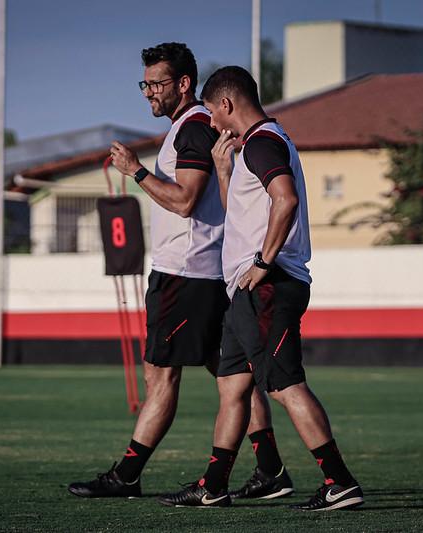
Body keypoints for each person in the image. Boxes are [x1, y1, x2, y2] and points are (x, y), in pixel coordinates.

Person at [68, 44, 293, 501]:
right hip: (201, 274)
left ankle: (127, 475)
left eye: (157, 83)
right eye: (145, 83)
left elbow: (186, 200)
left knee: (161, 374)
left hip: (186, 275)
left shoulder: (192, 128)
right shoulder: (186, 129)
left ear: (184, 84)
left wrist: (136, 172)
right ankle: (270, 469)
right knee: (231, 376)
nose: (148, 92)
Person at [157, 66, 363, 511]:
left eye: (212, 111)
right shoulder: (252, 146)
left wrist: (263, 262)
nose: (211, 122)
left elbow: (284, 199)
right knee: (232, 387)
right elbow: (245, 213)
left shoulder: (264, 141)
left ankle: (339, 481)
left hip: (267, 286)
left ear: (227, 105)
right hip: (244, 292)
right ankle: (213, 484)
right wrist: (223, 171)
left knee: (285, 385)